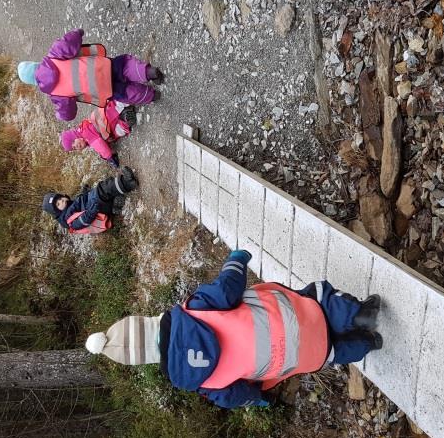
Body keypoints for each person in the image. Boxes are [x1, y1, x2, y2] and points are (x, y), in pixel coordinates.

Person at [84, 249, 383, 408]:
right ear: (146, 321)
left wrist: (261, 400)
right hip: (291, 315)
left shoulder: (199, 383)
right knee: (317, 299)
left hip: (300, 355)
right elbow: (227, 288)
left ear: (147, 360)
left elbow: (236, 396)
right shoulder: (194, 310)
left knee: (331, 353)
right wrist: (236, 261)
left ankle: (368, 343)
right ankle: (357, 316)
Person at [16, 28, 164, 121]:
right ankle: (148, 72)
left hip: (101, 89)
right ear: (35, 64)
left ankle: (151, 95)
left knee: (125, 93)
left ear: (33, 83)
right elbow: (67, 42)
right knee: (124, 65)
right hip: (100, 66)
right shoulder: (52, 57)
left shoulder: (55, 95)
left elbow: (68, 113)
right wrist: (78, 33)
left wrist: (60, 116)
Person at [41, 167, 138, 235]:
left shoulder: (70, 206)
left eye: (60, 198)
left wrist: (84, 192)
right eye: (58, 204)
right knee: (102, 189)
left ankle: (115, 205)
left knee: (102, 190)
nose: (61, 201)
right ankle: (128, 183)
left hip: (95, 207)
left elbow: (79, 202)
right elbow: (83, 221)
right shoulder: (68, 220)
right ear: (57, 211)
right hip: (95, 210)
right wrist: (91, 211)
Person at [60, 100, 135, 169]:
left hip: (109, 119)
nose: (76, 146)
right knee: (115, 108)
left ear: (75, 135)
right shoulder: (83, 127)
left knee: (118, 129)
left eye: (73, 142)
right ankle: (124, 109)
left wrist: (109, 158)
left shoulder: (87, 136)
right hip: (106, 114)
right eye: (74, 148)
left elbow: (101, 146)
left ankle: (124, 118)